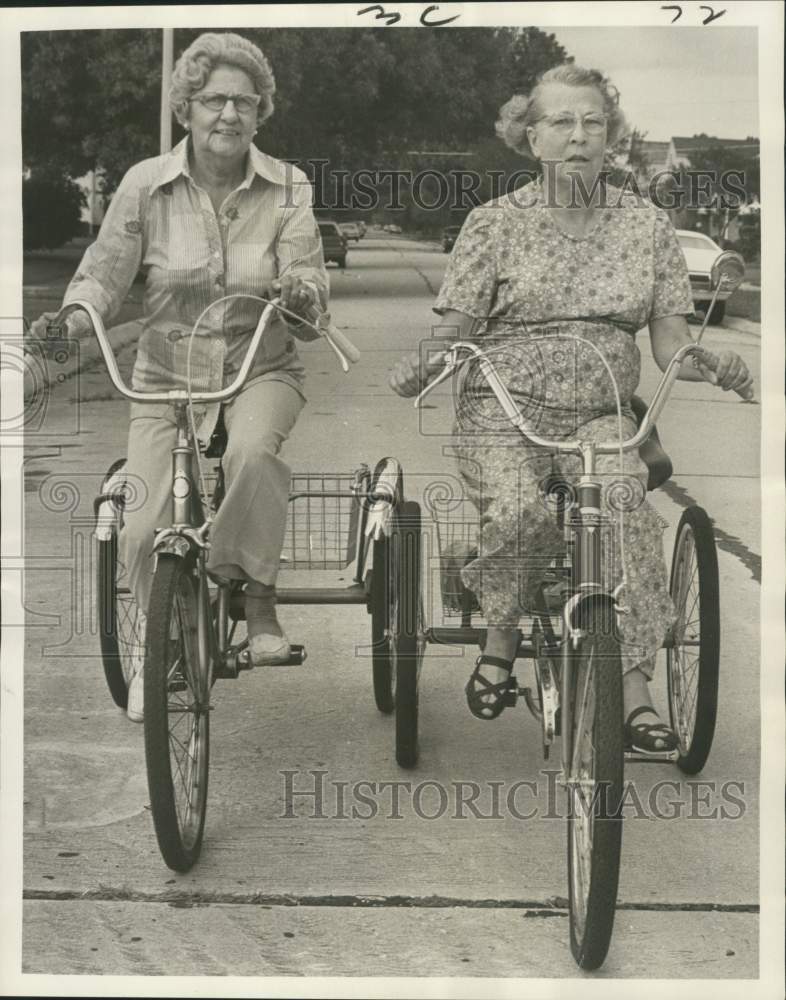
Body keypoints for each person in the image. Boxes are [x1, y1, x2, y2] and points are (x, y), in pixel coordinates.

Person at [389, 64, 752, 751]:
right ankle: (500, 639)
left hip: (604, 412)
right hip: (505, 408)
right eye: (561, 122)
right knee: (521, 511)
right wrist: (424, 363)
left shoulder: (646, 226)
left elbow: (673, 340)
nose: (578, 136)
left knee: (622, 505)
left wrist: (713, 362)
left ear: (611, 136)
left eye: (592, 122)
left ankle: (635, 691)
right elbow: (458, 327)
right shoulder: (493, 223)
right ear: (531, 140)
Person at [31, 32, 329, 721]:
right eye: (215, 100)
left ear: (261, 114)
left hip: (261, 363)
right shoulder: (145, 184)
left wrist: (301, 293)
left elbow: (306, 271)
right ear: (186, 109)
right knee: (138, 529)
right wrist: (71, 322)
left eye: (244, 103)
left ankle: (255, 600)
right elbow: (104, 274)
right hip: (165, 374)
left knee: (254, 451)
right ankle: (162, 646)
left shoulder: (288, 185)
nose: (229, 114)